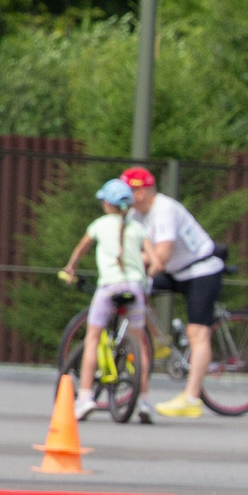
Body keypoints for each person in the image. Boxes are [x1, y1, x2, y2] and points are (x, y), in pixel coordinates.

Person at [123, 166, 224, 419]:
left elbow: (163, 255)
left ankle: (191, 398)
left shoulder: (164, 210)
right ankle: (159, 343)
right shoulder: (135, 214)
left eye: (130, 191)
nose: (126, 196)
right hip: (174, 270)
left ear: (143, 192)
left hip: (201, 270)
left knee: (197, 332)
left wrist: (132, 258)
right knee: (132, 294)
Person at [56, 178, 150, 418]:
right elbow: (155, 259)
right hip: (135, 288)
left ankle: (86, 396)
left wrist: (70, 268)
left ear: (107, 204)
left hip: (108, 287)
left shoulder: (99, 224)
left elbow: (81, 249)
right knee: (138, 343)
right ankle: (144, 402)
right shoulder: (138, 229)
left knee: (93, 339)